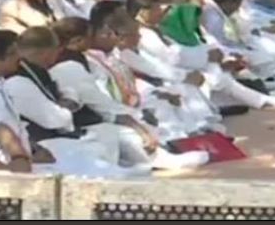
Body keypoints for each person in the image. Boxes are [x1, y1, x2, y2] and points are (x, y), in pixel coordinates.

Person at [0, 29, 129, 178]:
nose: (19, 58)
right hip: (3, 168)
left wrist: (32, 147)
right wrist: (23, 158)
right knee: (88, 172)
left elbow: (14, 125)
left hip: (25, 157)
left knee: (95, 161)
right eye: (12, 54)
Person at [50, 17, 208, 170]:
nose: (93, 42)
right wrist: (135, 124)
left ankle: (165, 147)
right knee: (126, 131)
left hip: (104, 111)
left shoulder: (83, 60)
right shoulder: (69, 66)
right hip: (84, 124)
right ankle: (157, 158)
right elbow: (102, 105)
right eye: (90, 37)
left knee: (144, 115)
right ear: (77, 42)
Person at [130, 0, 275, 111]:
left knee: (220, 70)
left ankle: (263, 97)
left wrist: (213, 56)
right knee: (214, 73)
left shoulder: (156, 30)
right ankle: (262, 98)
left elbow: (184, 50)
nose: (160, 12)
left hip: (189, 67)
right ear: (141, 13)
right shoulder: (143, 34)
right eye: (155, 9)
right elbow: (170, 58)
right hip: (169, 76)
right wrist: (206, 57)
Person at [4, 27, 136, 173]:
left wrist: (66, 101)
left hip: (52, 135)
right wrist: (68, 102)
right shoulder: (16, 81)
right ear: (49, 52)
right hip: (39, 142)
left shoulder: (37, 72)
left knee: (106, 136)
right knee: (95, 149)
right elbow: (56, 120)